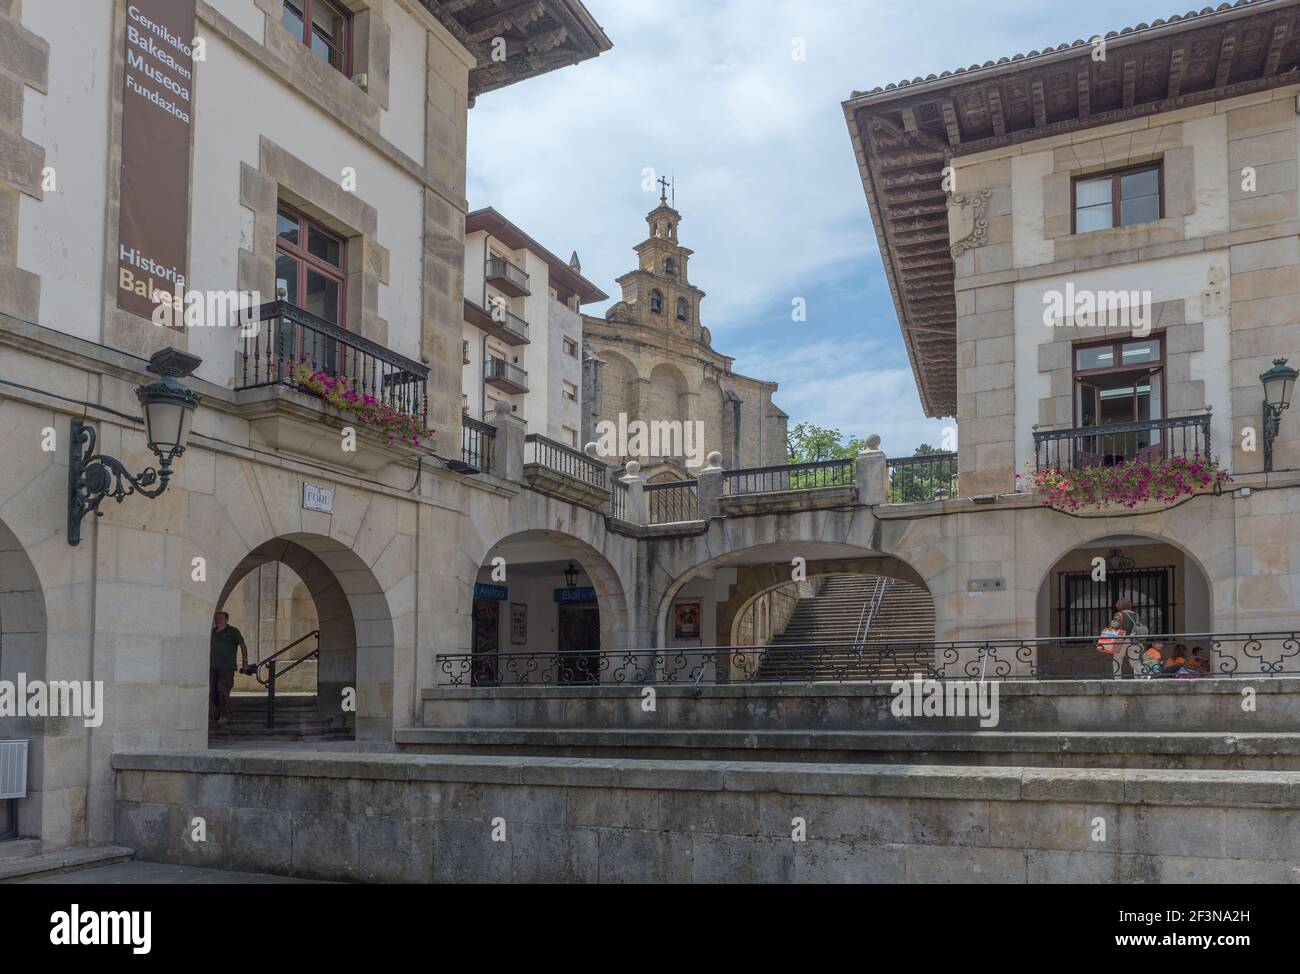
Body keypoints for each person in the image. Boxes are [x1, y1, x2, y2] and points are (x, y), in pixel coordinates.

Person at [210, 611, 250, 726]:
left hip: (227, 667)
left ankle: (224, 715)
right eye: (216, 618)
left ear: (226, 620)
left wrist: (245, 661)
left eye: (221, 618)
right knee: (212, 692)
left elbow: (242, 645)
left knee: (222, 689)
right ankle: (225, 710)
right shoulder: (212, 632)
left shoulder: (233, 632)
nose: (218, 620)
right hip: (212, 666)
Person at [1101, 596, 1144, 679]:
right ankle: (1145, 675)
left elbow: (1115, 626)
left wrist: (1111, 623)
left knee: (1117, 660)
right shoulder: (1136, 615)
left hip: (1121, 640)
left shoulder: (1119, 614)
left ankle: (1117, 679)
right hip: (1135, 640)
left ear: (1119, 605)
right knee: (1135, 661)